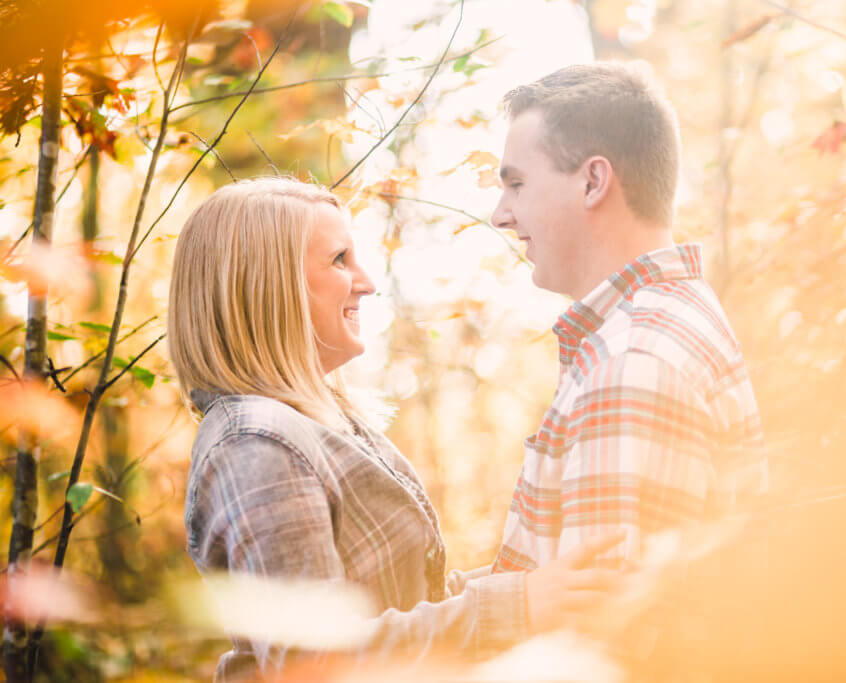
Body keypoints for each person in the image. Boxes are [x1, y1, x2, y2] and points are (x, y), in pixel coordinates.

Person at [167, 178, 621, 681]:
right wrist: (517, 605)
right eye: (339, 260)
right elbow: (315, 663)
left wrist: (534, 585)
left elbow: (404, 601)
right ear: (267, 284)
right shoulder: (255, 444)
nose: (367, 281)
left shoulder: (313, 424)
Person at [489, 63, 767, 573]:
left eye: (518, 184)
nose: (500, 214)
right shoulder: (662, 322)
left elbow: (602, 634)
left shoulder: (631, 362)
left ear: (593, 181)